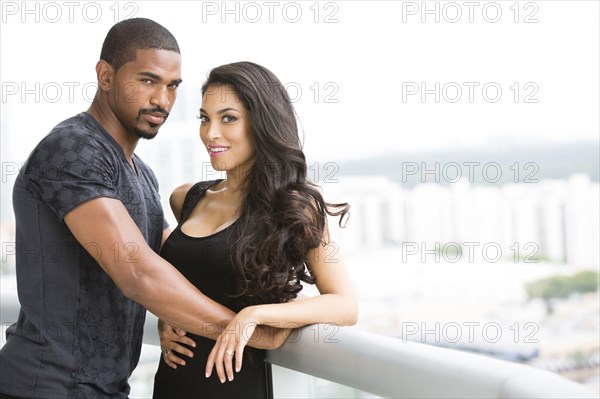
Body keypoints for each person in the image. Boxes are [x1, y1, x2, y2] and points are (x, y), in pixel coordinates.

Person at [0, 20, 284, 399]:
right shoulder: (72, 149)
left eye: (172, 87)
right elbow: (138, 272)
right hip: (42, 388)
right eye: (148, 81)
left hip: (105, 390)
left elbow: (176, 263)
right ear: (105, 76)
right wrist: (250, 331)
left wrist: (290, 308)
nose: (162, 101)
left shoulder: (142, 176)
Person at [152, 61, 358, 398]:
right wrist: (167, 317)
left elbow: (344, 305)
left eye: (228, 118)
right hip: (171, 385)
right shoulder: (185, 199)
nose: (211, 133)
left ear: (261, 123)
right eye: (205, 119)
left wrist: (253, 315)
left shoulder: (294, 207)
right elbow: (183, 284)